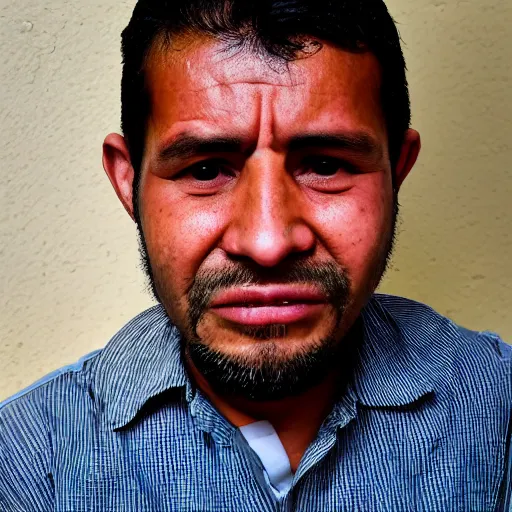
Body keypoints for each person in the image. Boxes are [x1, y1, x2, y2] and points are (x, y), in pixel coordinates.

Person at [0, 0, 510, 510]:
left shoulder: (499, 413)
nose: (267, 243)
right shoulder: (27, 465)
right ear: (129, 181)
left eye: (327, 165)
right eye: (205, 171)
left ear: (397, 170)